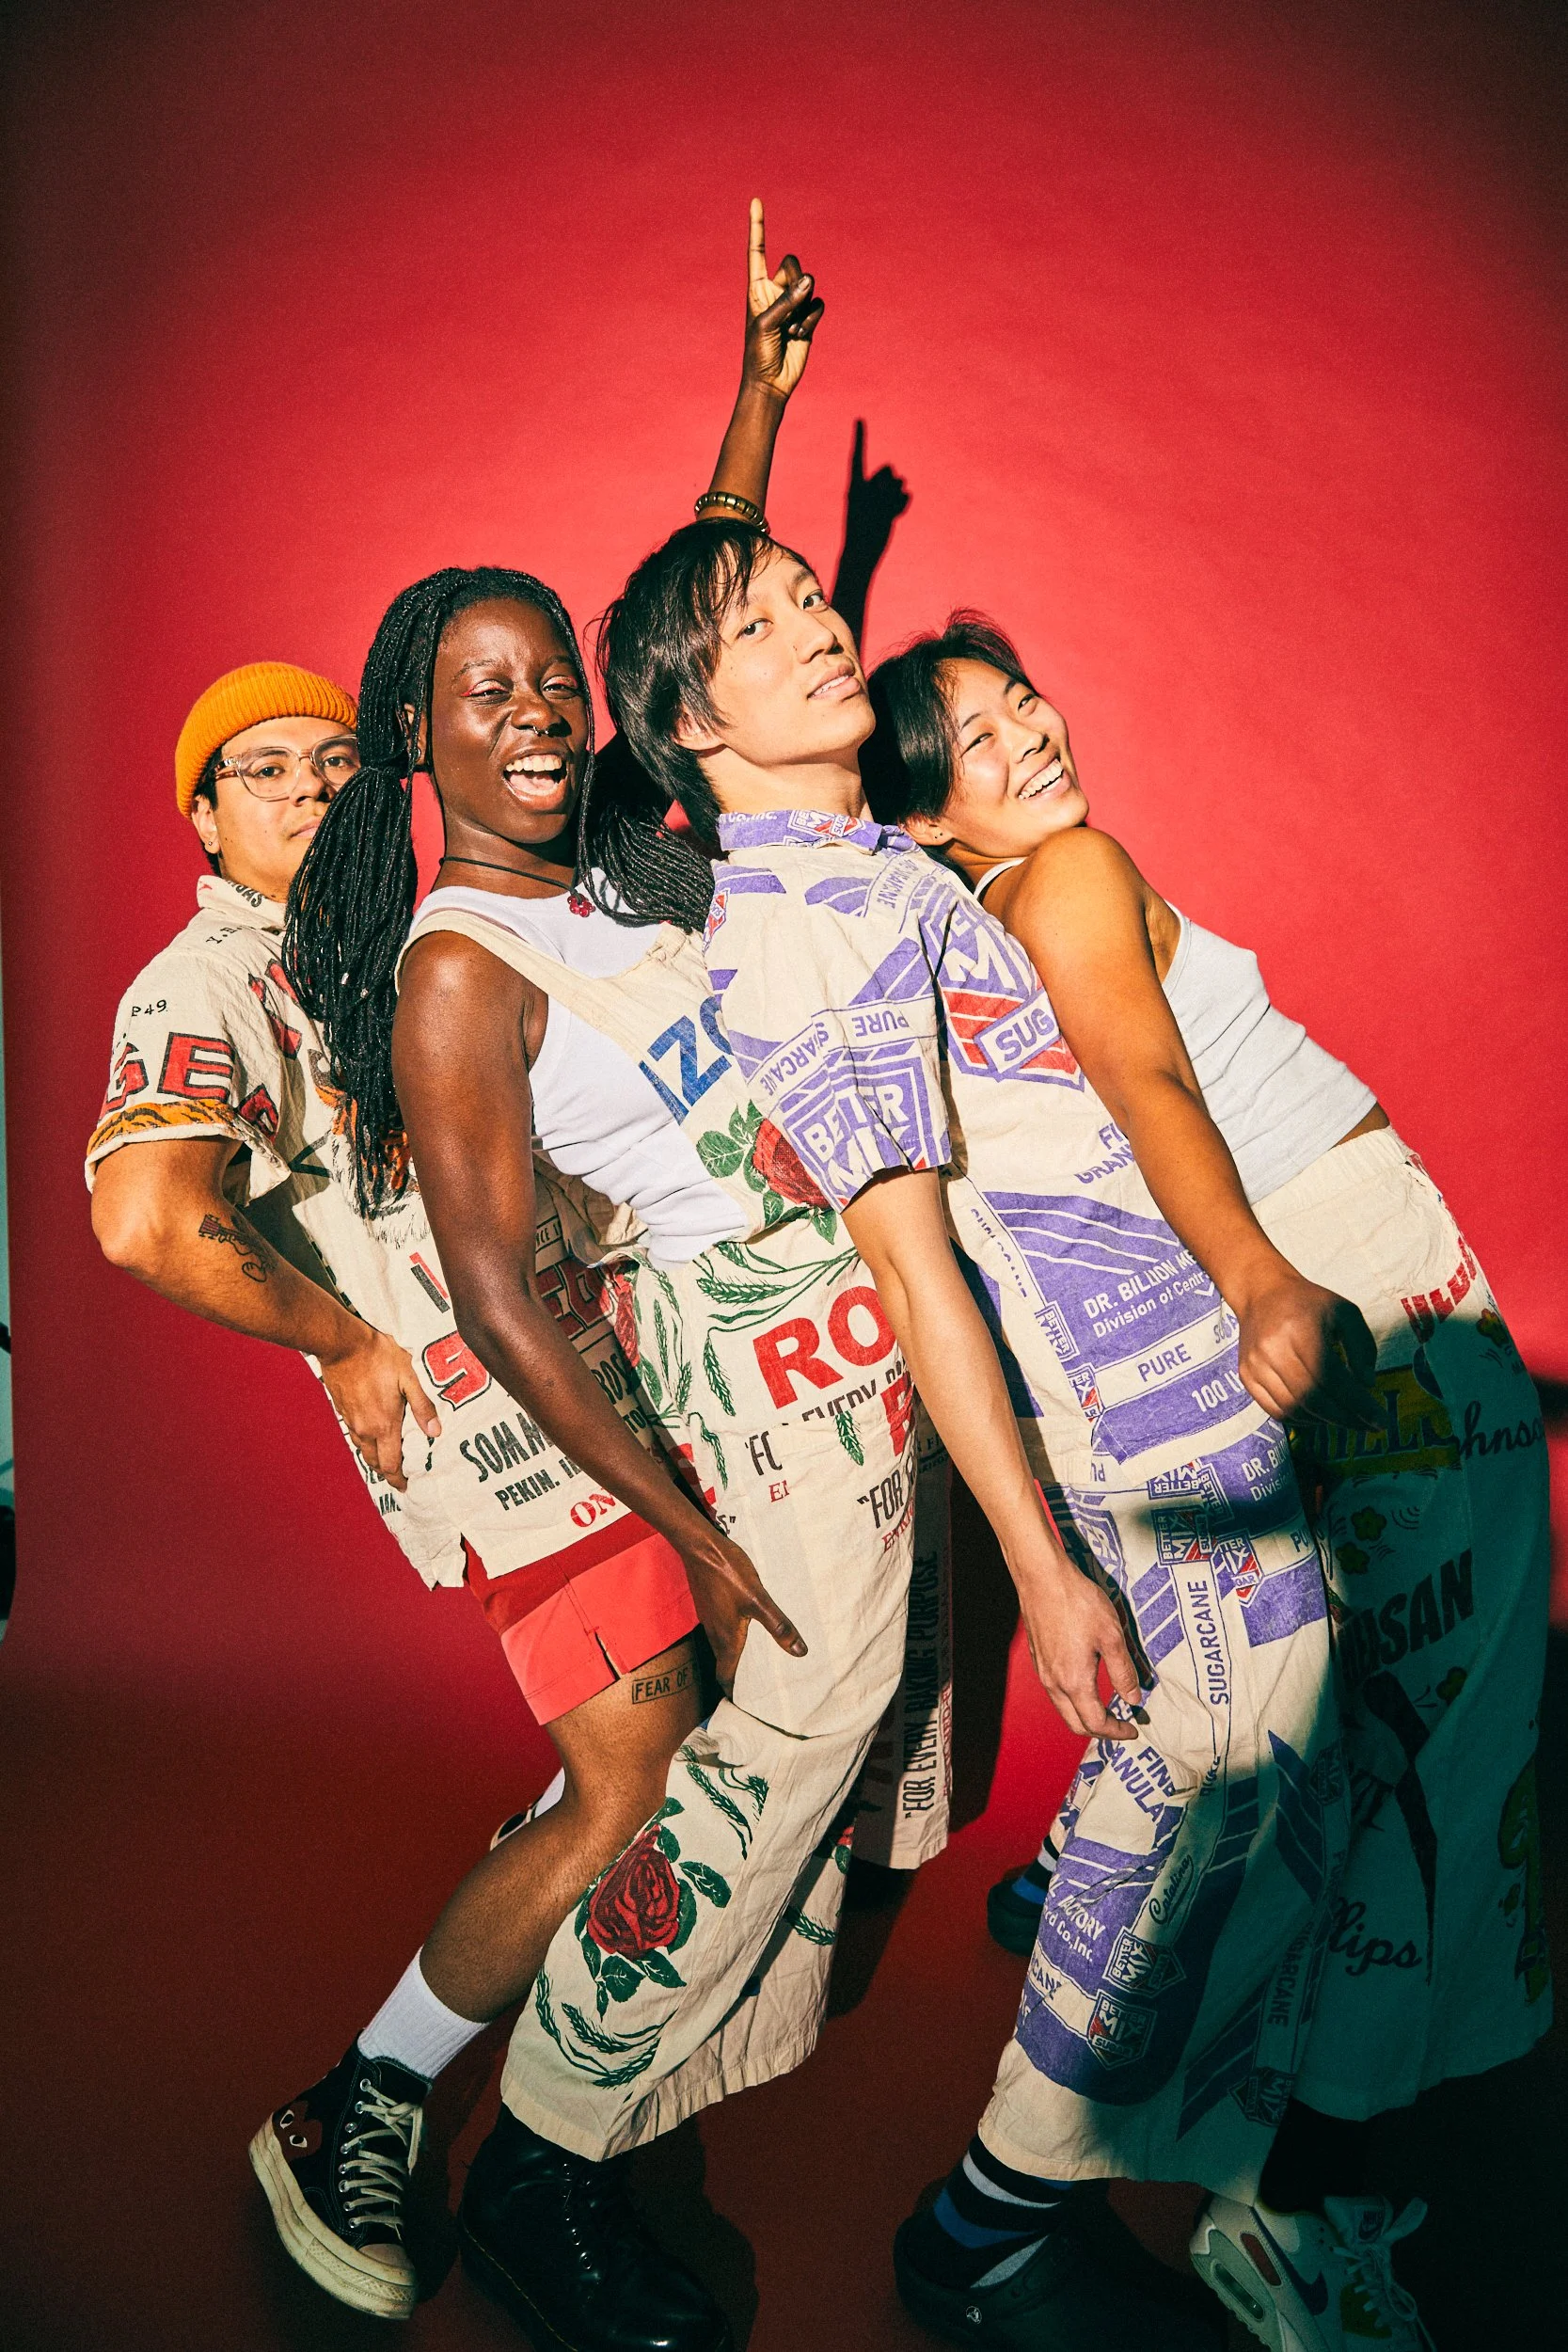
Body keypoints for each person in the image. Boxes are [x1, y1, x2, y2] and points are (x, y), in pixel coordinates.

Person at [274, 210, 949, 2352]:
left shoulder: (635, 866)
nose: (542, 714)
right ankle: (531, 2161)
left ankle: (604, 2122)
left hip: (858, 1351)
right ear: (417, 741)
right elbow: (492, 1293)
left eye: (552, 682)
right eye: (488, 695)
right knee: (731, 1775)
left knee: (857, 1780)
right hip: (728, 1408)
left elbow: (687, 627)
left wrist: (756, 394)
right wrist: (694, 1529)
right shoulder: (460, 971)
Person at [588, 517, 1363, 2352]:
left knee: (1229, 1744)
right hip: (1128, 1398)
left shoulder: (859, 864)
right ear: (690, 723)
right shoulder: (805, 922)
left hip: (1178, 1363)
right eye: (760, 625)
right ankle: (995, 2222)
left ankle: (1063, 2183)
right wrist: (1040, 1560)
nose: (812, 622)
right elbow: (911, 1266)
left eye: (807, 593)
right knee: (1229, 1739)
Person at [858, 613, 1553, 2351]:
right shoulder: (1068, 872)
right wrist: (1258, 1280)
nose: (1030, 737)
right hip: (1357, 1292)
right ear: (926, 814)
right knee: (1443, 1748)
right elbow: (1145, 1076)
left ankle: (1273, 2148)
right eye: (977, 741)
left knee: (1374, 1731)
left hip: (1313, 1301)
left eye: (1023, 702)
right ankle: (1293, 2204)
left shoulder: (964, 921)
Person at [86, 660, 705, 2321]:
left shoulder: (402, 939)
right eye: (263, 769)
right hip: (515, 1446)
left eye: (336, 762)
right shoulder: (208, 980)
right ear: (202, 820)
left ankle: (555, 1926)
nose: (308, 788)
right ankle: (359, 2101)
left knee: (692, 1753)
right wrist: (347, 1342)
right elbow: (145, 1219)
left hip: (626, 1377)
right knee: (635, 1786)